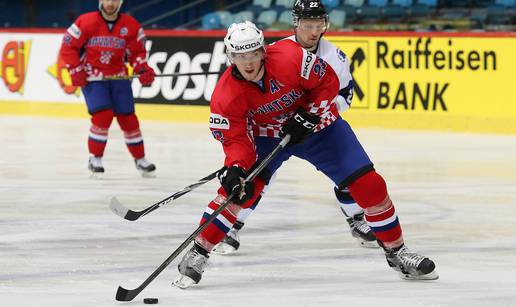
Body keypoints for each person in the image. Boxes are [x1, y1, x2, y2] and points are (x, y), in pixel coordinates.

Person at [173, 21, 438, 289]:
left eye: (253, 53)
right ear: (231, 57)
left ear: (263, 51)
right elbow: (235, 139)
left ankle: (398, 252)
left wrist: (309, 114)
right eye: (240, 56)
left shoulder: (291, 56)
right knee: (238, 193)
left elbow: (328, 82)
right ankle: (199, 251)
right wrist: (236, 168)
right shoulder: (225, 95)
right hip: (267, 137)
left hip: (320, 130)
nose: (248, 62)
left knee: (370, 186)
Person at [213, 0, 376, 254]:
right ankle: (233, 224)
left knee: (350, 172)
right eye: (307, 24)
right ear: (296, 24)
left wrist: (312, 116)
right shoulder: (277, 51)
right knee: (257, 178)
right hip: (272, 131)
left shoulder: (335, 57)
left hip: (315, 126)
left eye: (318, 24)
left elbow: (344, 94)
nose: (313, 31)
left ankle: (356, 219)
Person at [60, 0, 156, 178]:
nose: (110, 3)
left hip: (119, 76)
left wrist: (142, 68)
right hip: (92, 77)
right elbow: (68, 46)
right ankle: (95, 158)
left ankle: (140, 159)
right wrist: (75, 69)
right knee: (103, 116)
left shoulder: (131, 25)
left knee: (128, 119)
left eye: (114, 0)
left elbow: (137, 52)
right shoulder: (85, 21)